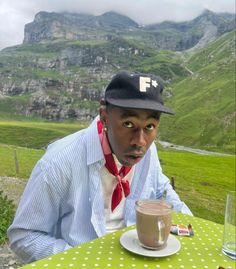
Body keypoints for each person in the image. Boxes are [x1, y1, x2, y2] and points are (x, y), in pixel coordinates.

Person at [8, 71, 192, 263]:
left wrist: (191, 224)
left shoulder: (148, 151)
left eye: (150, 126)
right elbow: (23, 236)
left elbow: (161, 190)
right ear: (104, 115)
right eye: (128, 124)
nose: (140, 142)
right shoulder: (58, 163)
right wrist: (88, 261)